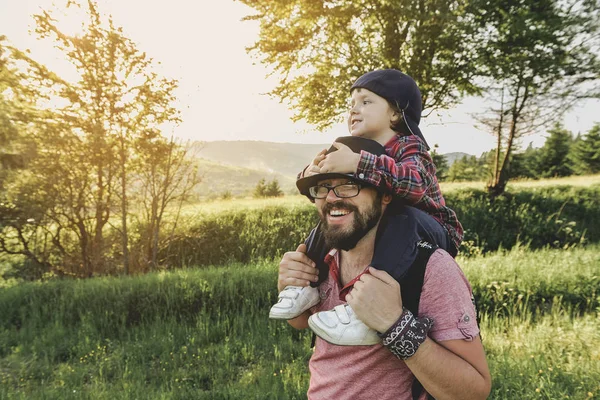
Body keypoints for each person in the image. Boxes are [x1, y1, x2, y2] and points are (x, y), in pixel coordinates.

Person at [277, 145, 491, 399]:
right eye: (323, 187)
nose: (332, 198)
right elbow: (301, 322)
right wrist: (290, 287)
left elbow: (475, 391)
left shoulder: (430, 268)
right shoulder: (323, 257)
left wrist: (396, 326)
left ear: (384, 195)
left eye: (348, 185)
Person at [270, 69, 463, 345]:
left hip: (431, 228)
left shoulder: (410, 146)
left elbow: (415, 184)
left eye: (365, 102)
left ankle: (364, 310)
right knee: (333, 212)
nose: (354, 110)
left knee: (400, 214)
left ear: (396, 113)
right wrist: (311, 171)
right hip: (395, 224)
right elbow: (321, 186)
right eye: (351, 105)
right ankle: (308, 286)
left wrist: (359, 164)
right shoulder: (358, 148)